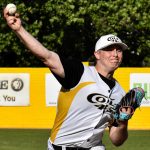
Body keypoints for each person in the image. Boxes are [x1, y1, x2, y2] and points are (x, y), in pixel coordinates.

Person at [4, 7, 132, 150]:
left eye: (119, 50)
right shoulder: (79, 72)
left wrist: (122, 122)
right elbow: (46, 56)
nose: (115, 54)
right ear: (97, 54)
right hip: (61, 146)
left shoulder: (120, 94)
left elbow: (116, 140)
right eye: (109, 49)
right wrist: (19, 29)